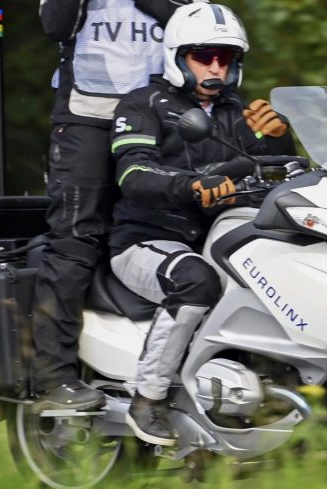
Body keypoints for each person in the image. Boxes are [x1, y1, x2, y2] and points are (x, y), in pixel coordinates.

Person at [107, 2, 296, 446]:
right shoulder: (142, 105)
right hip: (146, 240)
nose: (215, 66)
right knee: (196, 282)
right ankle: (148, 399)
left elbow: (274, 168)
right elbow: (134, 174)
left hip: (214, 237)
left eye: (225, 58)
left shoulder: (235, 113)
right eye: (203, 55)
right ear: (177, 56)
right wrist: (192, 186)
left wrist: (279, 136)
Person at [33, 0, 204, 412]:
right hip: (86, 117)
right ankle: (53, 378)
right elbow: (56, 24)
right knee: (75, 240)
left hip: (158, 113)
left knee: (173, 228)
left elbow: (196, 28)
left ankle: (167, 373)